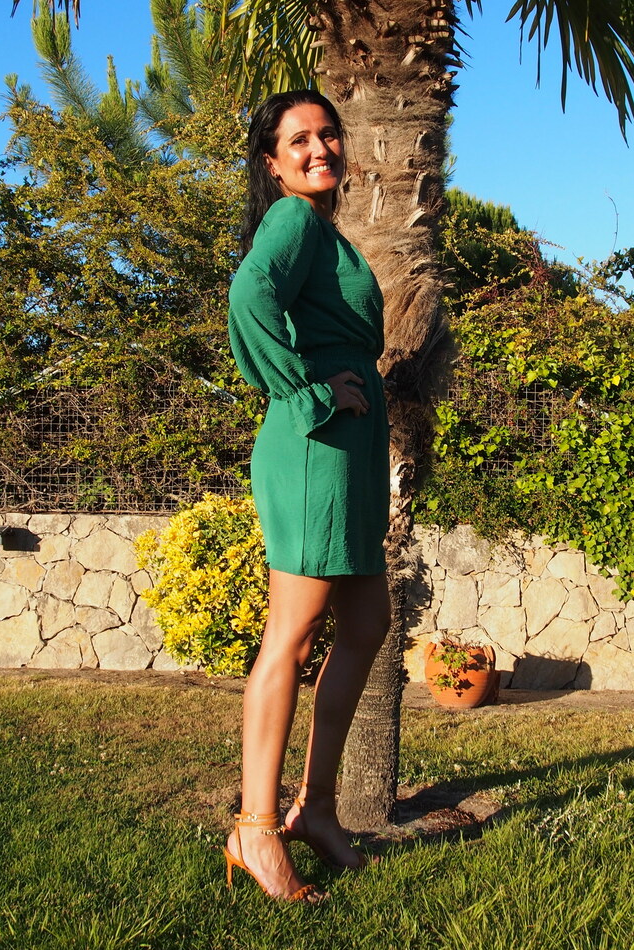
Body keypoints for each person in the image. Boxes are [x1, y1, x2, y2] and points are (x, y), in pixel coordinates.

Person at [225, 89, 391, 903]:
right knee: (290, 638)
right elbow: (248, 297)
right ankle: (255, 830)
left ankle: (316, 809)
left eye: (328, 134)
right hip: (313, 447)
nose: (319, 148)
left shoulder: (323, 230)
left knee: (365, 623)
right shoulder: (291, 220)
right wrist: (309, 393)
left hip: (345, 451)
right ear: (272, 161)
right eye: (298, 139)